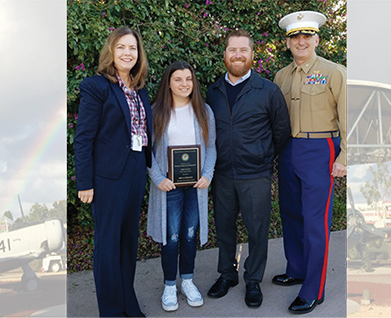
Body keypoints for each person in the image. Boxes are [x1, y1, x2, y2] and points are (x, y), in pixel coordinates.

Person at [206, 29, 291, 308]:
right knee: (225, 228)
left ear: (253, 54)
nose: (238, 55)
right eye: (233, 50)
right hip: (222, 175)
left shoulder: (268, 90)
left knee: (257, 230)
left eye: (243, 50)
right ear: (225, 55)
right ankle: (227, 274)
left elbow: (281, 133)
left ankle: (253, 279)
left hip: (256, 174)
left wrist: (263, 158)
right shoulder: (213, 92)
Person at [272, 11, 347, 314]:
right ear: (288, 42)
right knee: (290, 213)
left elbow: (347, 116)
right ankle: (297, 269)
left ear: (316, 39)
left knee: (316, 221)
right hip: (289, 150)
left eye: (306, 36)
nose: (301, 41)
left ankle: (313, 289)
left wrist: (345, 156)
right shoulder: (281, 76)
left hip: (320, 148)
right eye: (295, 37)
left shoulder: (334, 71)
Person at [74, 26, 151, 317]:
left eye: (132, 48)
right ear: (111, 51)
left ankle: (128, 304)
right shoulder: (96, 86)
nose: (127, 53)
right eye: (121, 47)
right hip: (107, 177)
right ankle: (111, 311)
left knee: (128, 243)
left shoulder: (139, 88)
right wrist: (85, 182)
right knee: (108, 245)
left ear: (138, 54)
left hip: (134, 170)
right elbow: (83, 138)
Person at [146, 61, 217, 311]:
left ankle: (187, 281)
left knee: (189, 235)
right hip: (169, 187)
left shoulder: (204, 111)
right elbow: (148, 152)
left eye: (188, 79)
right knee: (171, 236)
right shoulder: (156, 112)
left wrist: (207, 174)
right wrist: (158, 178)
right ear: (168, 82)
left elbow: (211, 147)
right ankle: (168, 286)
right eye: (178, 79)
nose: (184, 84)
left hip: (196, 186)